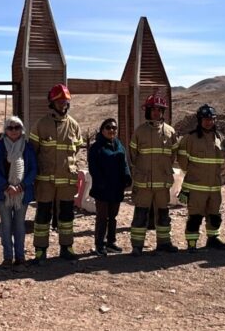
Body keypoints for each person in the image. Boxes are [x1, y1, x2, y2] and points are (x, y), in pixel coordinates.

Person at [29, 84, 85, 264]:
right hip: (45, 181)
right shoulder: (41, 124)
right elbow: (33, 152)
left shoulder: (74, 126)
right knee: (43, 216)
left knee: (67, 216)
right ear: (51, 102)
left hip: (67, 181)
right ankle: (40, 250)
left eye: (65, 101)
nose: (63, 104)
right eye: (59, 101)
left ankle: (66, 247)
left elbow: (75, 150)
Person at [129, 94, 179, 254]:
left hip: (162, 183)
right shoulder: (140, 131)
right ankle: (137, 246)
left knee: (163, 215)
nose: (156, 113)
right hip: (143, 183)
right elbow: (132, 155)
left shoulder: (170, 132)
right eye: (153, 110)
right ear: (148, 111)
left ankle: (164, 243)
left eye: (159, 110)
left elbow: (173, 155)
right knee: (140, 214)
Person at [177, 104, 225, 252]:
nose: (209, 122)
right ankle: (192, 244)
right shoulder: (190, 138)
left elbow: (223, 160)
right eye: (205, 119)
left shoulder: (220, 137)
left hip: (214, 187)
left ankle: (213, 239)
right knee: (195, 217)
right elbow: (183, 162)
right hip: (196, 187)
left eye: (211, 119)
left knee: (214, 216)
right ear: (199, 120)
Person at [0, 116, 37, 268]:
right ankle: (8, 257)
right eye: (10, 127)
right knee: (6, 224)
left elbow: (33, 169)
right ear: (5, 130)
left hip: (22, 193)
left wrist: (21, 186)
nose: (14, 130)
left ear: (22, 129)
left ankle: (20, 256)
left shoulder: (27, 147)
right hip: (3, 193)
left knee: (20, 225)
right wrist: (6, 186)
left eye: (17, 127)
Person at [87, 117, 131, 255]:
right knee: (102, 217)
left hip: (116, 187)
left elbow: (124, 163)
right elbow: (93, 168)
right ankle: (100, 244)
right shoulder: (96, 147)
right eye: (108, 127)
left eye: (114, 128)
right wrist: (101, 182)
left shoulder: (118, 145)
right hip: (102, 189)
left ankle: (111, 242)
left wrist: (127, 177)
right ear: (102, 130)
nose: (111, 130)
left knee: (113, 217)